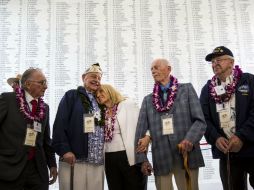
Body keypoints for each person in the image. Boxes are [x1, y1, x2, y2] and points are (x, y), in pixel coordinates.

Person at [135, 58, 206, 190]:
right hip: (161, 157)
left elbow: (200, 121)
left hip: (186, 155)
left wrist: (189, 140)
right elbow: (140, 133)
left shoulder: (187, 90)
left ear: (169, 69)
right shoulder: (147, 100)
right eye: (151, 69)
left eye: (156, 67)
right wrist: (142, 160)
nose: (153, 71)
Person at [200, 46, 254, 190]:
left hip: (251, 146)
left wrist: (241, 136)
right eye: (212, 61)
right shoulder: (207, 89)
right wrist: (216, 138)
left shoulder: (249, 81)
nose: (214, 63)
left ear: (231, 62)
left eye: (219, 60)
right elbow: (203, 119)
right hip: (227, 152)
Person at [0, 68, 57, 190]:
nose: (45, 86)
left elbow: (46, 140)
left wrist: (52, 164)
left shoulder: (44, 108)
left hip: (37, 169)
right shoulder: (7, 100)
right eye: (42, 82)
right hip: (10, 168)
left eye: (46, 83)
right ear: (27, 84)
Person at [52, 63, 105, 190]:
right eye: (93, 76)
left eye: (99, 78)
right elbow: (60, 123)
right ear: (83, 78)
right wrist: (64, 150)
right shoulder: (71, 96)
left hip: (97, 160)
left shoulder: (101, 100)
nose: (96, 80)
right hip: (74, 158)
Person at [96, 84, 147, 190]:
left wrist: (147, 138)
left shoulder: (127, 104)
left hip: (128, 155)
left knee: (134, 186)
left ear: (110, 91)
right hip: (109, 157)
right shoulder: (101, 112)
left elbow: (143, 124)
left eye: (101, 92)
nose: (99, 95)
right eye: (96, 95)